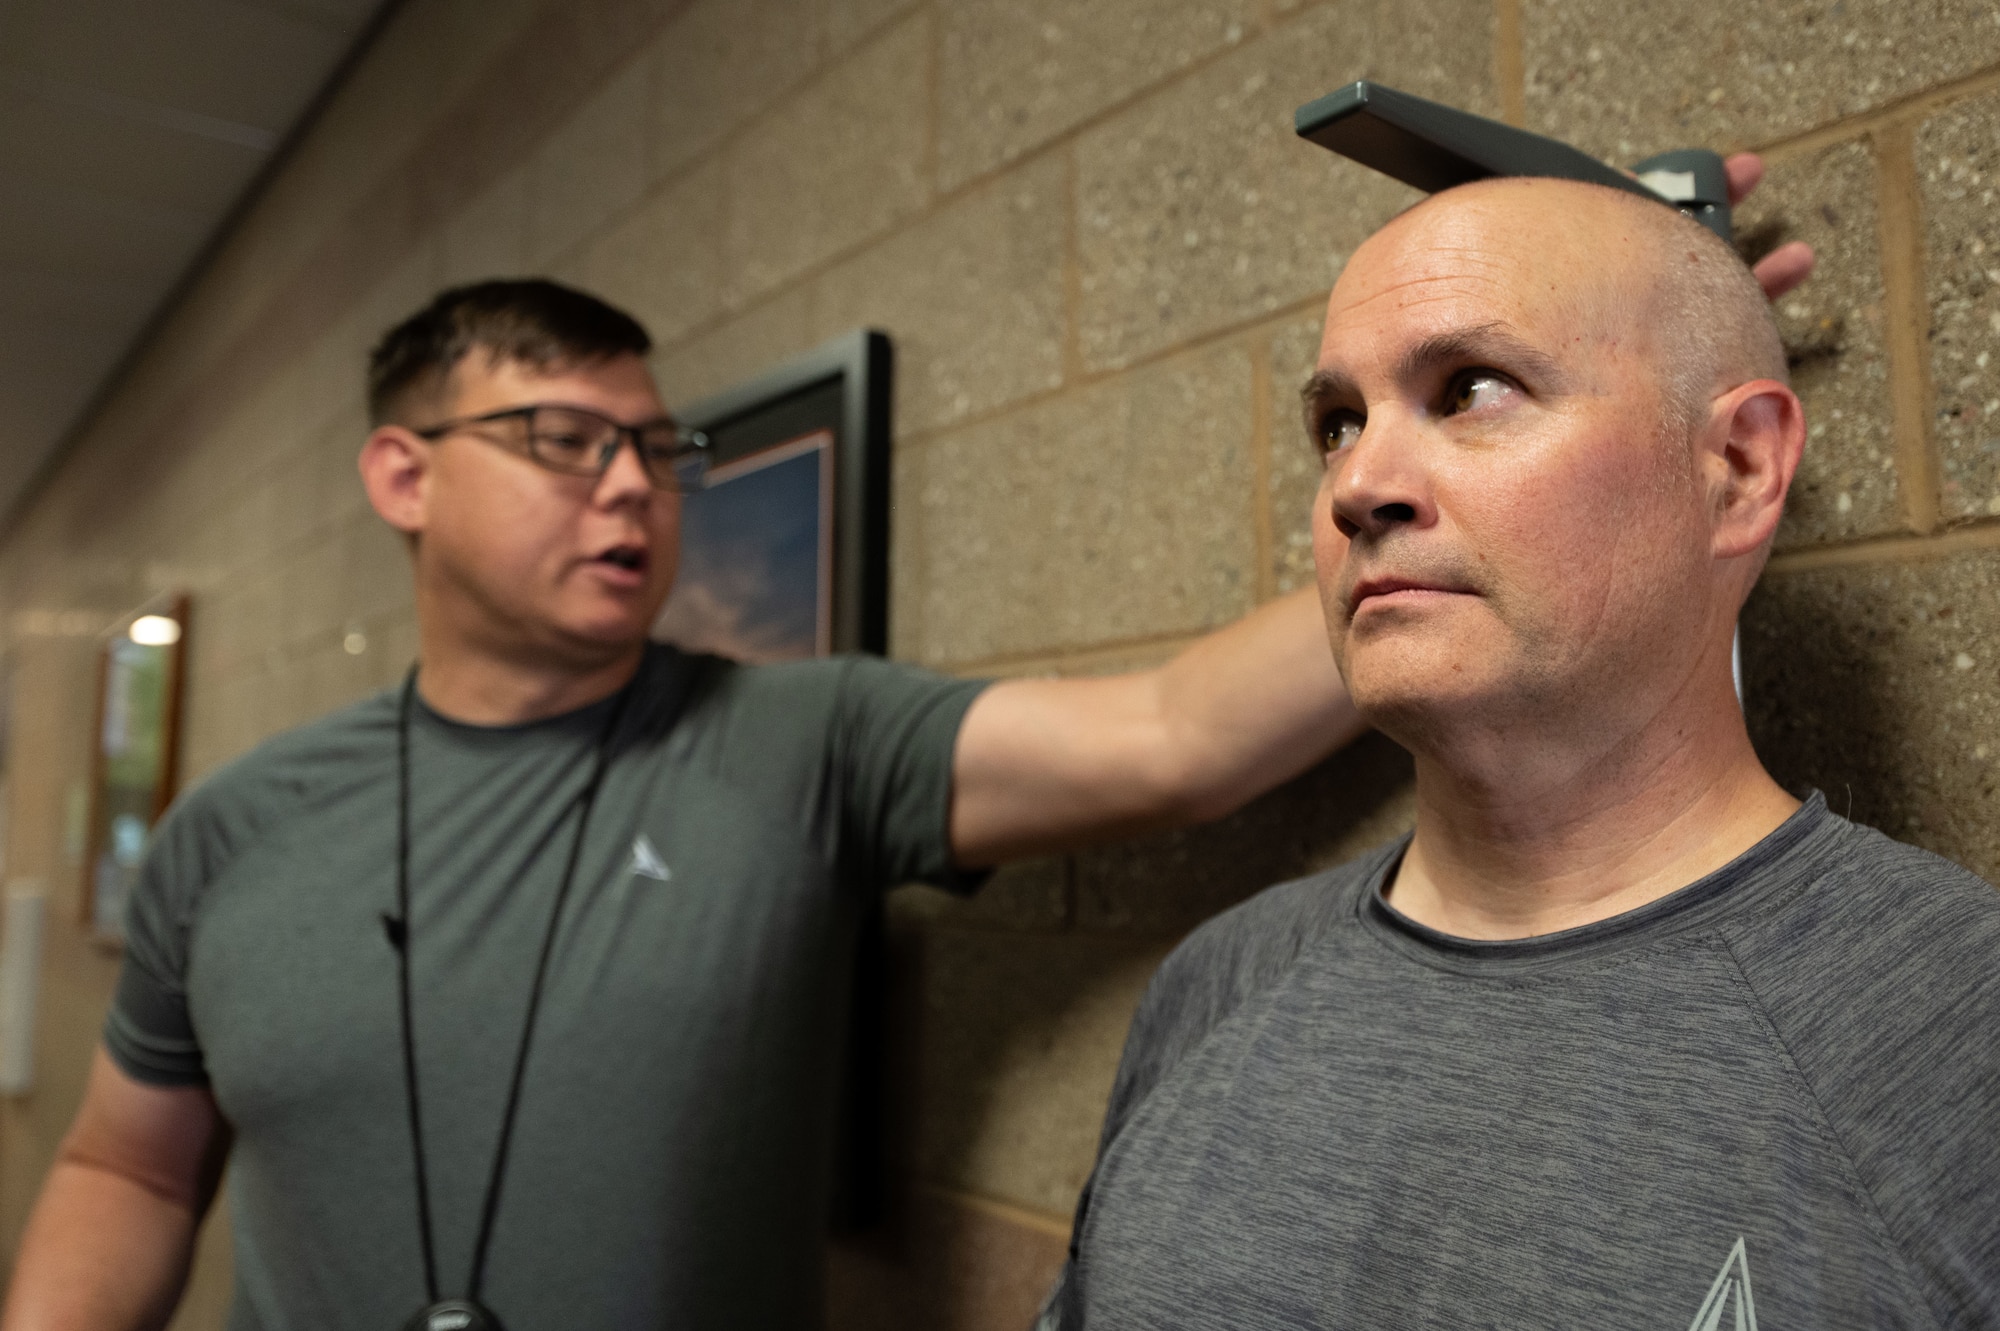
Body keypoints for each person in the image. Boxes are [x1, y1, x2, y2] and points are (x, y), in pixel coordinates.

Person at [2, 155, 1809, 1329]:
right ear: (404, 474)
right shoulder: (242, 826)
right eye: (563, 441)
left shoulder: (800, 737)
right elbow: (127, 1167)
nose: (632, 486)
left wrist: (1609, 374)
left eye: (660, 451)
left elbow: (1179, 735)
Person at [1040, 176, 1999, 1330]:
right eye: (1335, 421)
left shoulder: (1952, 1032)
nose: (1355, 484)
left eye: (1471, 388)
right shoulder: (1215, 985)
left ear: (1737, 470)